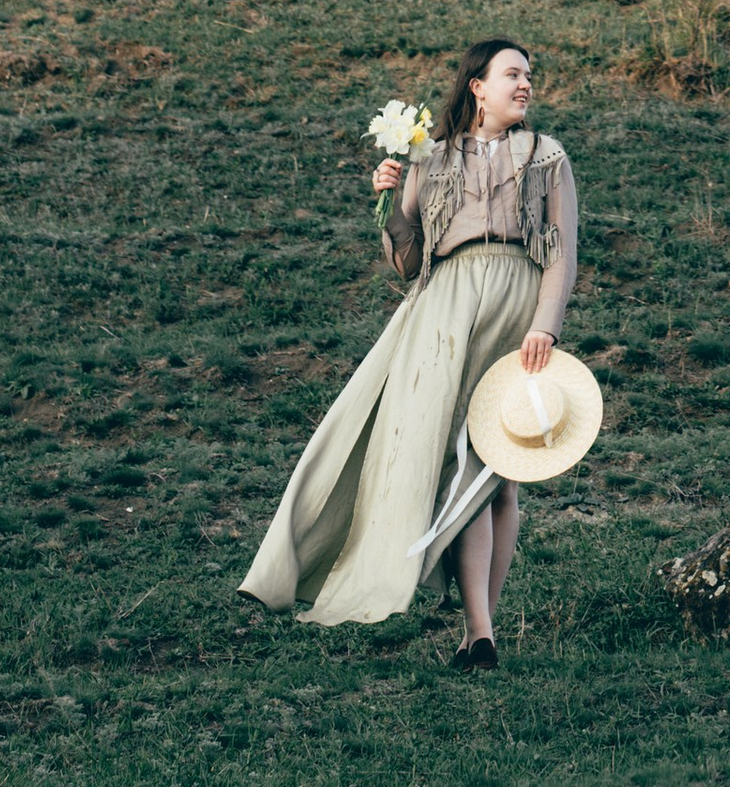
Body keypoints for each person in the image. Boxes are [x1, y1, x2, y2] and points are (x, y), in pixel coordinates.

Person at [238, 37, 579, 659]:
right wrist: (390, 198)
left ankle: (481, 628)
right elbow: (408, 259)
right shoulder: (432, 156)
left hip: (516, 305)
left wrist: (546, 325)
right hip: (443, 307)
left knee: (499, 470)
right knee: (461, 464)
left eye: (529, 75)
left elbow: (562, 250)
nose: (526, 84)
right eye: (513, 74)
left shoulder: (547, 155)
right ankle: (479, 632)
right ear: (477, 85)